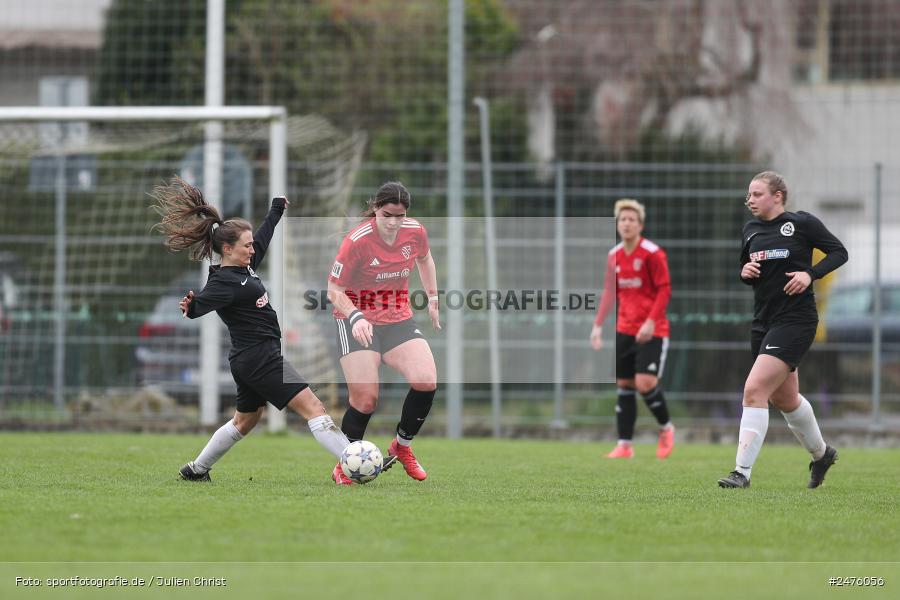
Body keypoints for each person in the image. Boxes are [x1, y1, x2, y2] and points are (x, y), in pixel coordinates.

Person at [150, 176, 357, 485]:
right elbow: (200, 305)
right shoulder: (223, 283)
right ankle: (357, 462)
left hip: (249, 359)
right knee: (314, 408)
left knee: (245, 420)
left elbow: (262, 238)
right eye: (245, 246)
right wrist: (191, 306)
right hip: (260, 358)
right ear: (227, 249)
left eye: (250, 245)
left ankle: (196, 469)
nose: (251, 249)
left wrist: (276, 211)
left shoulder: (244, 267)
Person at [718, 171, 848, 489]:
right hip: (763, 322)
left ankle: (741, 473)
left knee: (754, 391)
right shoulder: (750, 229)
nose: (750, 199)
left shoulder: (801, 224)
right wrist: (744, 271)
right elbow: (746, 268)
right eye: (748, 195)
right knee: (786, 400)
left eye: (757, 194)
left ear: (778, 196)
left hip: (796, 320)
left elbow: (839, 252)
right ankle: (822, 455)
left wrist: (810, 274)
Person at [327, 181, 440, 482]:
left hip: (397, 319)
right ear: (376, 209)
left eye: (399, 216)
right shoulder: (357, 240)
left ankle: (402, 448)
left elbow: (425, 258)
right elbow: (334, 290)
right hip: (355, 320)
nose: (393, 222)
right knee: (365, 400)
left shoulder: (415, 232)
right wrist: (355, 317)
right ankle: (343, 466)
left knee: (426, 380)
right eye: (387, 214)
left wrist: (433, 297)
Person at [591, 199, 675, 459]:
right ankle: (624, 445)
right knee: (625, 384)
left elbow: (665, 289)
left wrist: (650, 321)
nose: (626, 224)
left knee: (645, 382)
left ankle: (666, 428)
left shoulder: (652, 253)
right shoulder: (613, 255)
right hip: (624, 328)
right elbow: (610, 292)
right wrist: (597, 325)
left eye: (631, 220)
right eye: (622, 220)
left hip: (653, 329)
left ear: (640, 225)